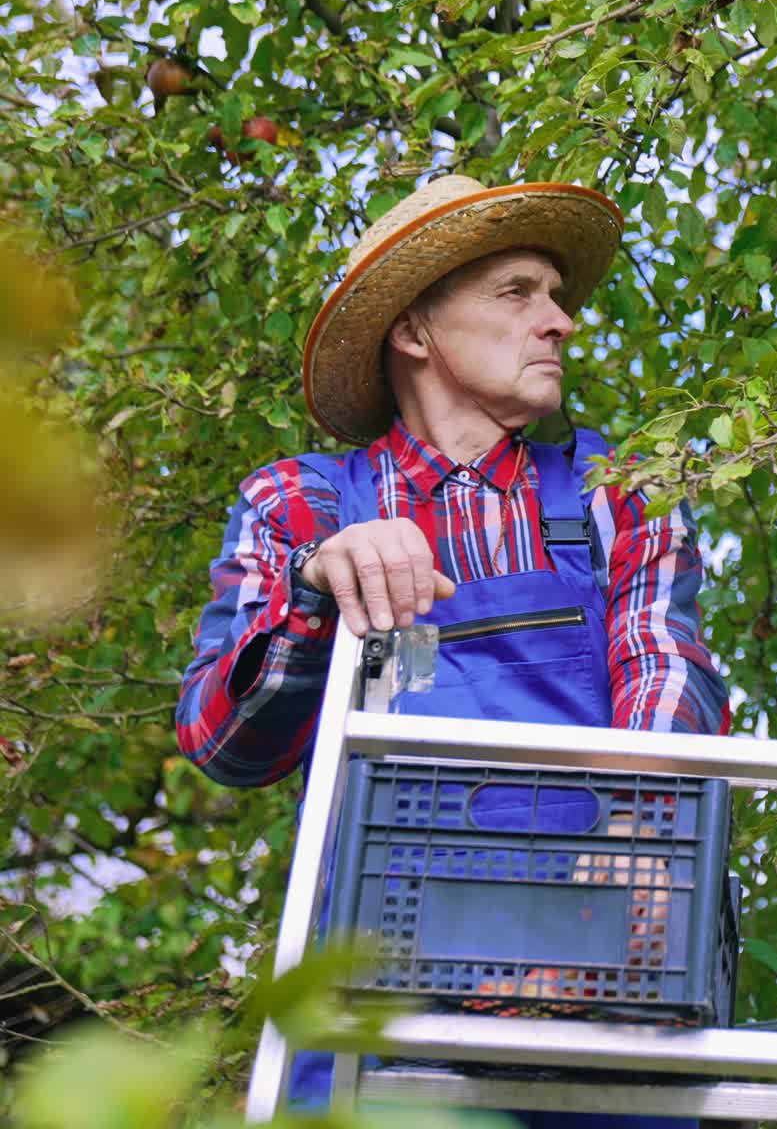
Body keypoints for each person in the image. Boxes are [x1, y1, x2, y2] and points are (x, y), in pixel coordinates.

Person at [176, 174, 730, 1126]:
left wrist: (647, 825)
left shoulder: (617, 494)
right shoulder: (298, 505)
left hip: (606, 979)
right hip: (377, 999)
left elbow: (664, 659)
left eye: (557, 297)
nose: (558, 322)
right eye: (518, 292)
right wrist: (321, 585)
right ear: (415, 332)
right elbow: (224, 745)